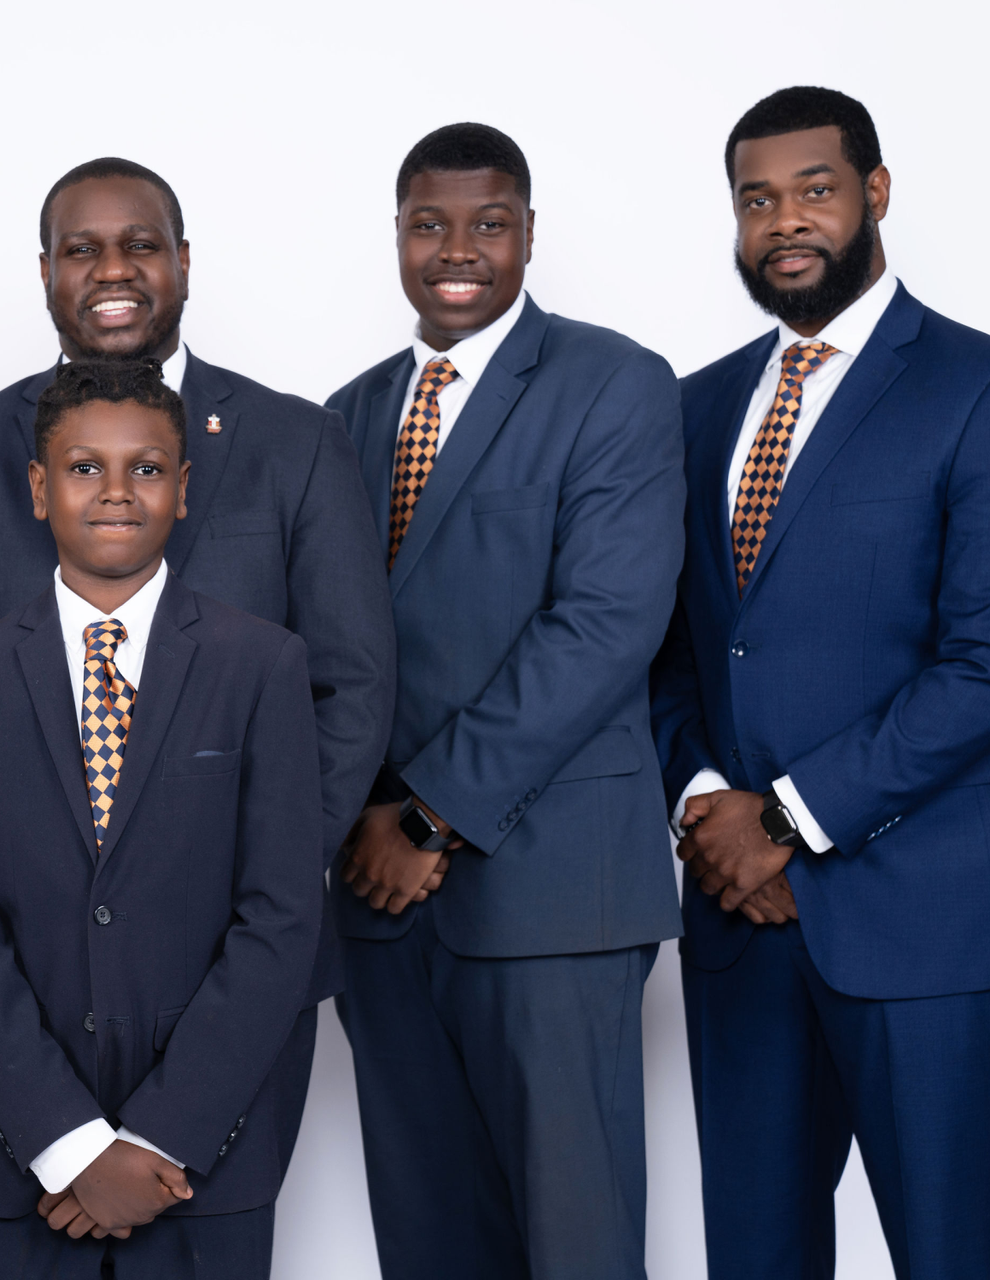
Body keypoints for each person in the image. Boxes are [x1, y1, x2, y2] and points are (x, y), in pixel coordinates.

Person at [650, 86, 990, 1280]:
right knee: (755, 1256)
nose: (785, 220)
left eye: (815, 189)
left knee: (950, 1255)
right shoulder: (695, 407)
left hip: (924, 919)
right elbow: (673, 648)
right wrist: (706, 806)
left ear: (876, 193)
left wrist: (786, 821)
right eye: (757, 199)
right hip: (740, 923)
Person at [0, 158, 394, 1014]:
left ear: (182, 260)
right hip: (26, 949)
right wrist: (9, 874)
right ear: (46, 271)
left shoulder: (299, 443)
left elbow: (352, 687)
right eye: (82, 249)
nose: (112, 270)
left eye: (140, 245)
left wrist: (264, 876)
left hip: (246, 944)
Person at [323, 123, 686, 1280]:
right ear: (396, 235)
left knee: (576, 1243)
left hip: (551, 895)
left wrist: (428, 814)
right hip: (377, 902)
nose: (457, 249)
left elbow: (605, 626)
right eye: (429, 224)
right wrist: (354, 820)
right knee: (428, 1238)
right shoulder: (345, 415)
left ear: (530, 232)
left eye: (488, 223)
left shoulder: (613, 383)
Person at [0, 359, 324, 1278]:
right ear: (38, 489)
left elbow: (281, 917)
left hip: (200, 1162)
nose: (115, 491)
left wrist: (159, 1138)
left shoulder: (262, 665)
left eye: (145, 468)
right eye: (82, 468)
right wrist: (69, 1145)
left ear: (183, 489)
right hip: (15, 1158)